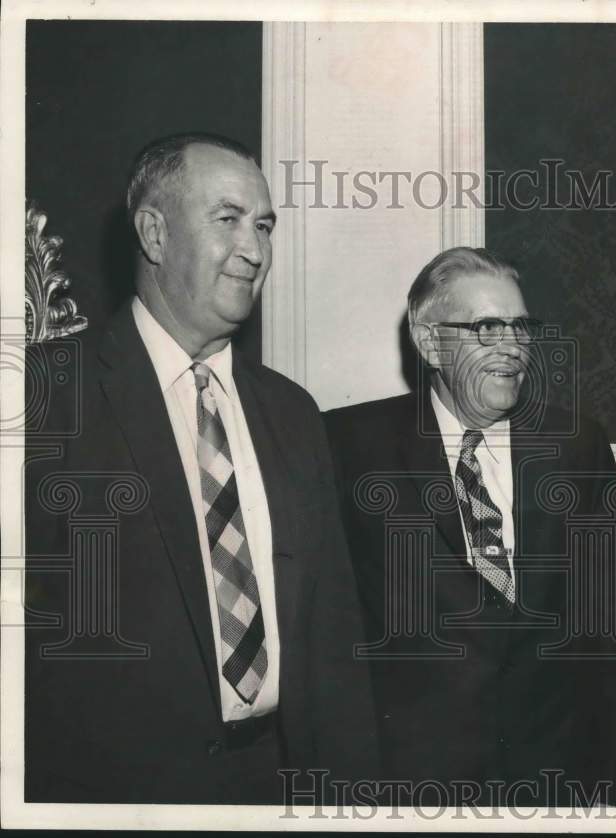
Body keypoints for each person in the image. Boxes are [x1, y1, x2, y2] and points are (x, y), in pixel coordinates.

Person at [24, 133, 376, 804]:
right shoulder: (44, 401)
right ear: (154, 234)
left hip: (282, 786)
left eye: (265, 226)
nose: (255, 249)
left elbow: (334, 642)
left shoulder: (294, 414)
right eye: (229, 219)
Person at [324, 246, 616, 806]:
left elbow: (608, 636)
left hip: (555, 784)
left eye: (520, 328)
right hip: (410, 790)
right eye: (486, 328)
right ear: (430, 342)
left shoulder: (576, 447)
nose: (512, 348)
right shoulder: (349, 447)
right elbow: (327, 635)